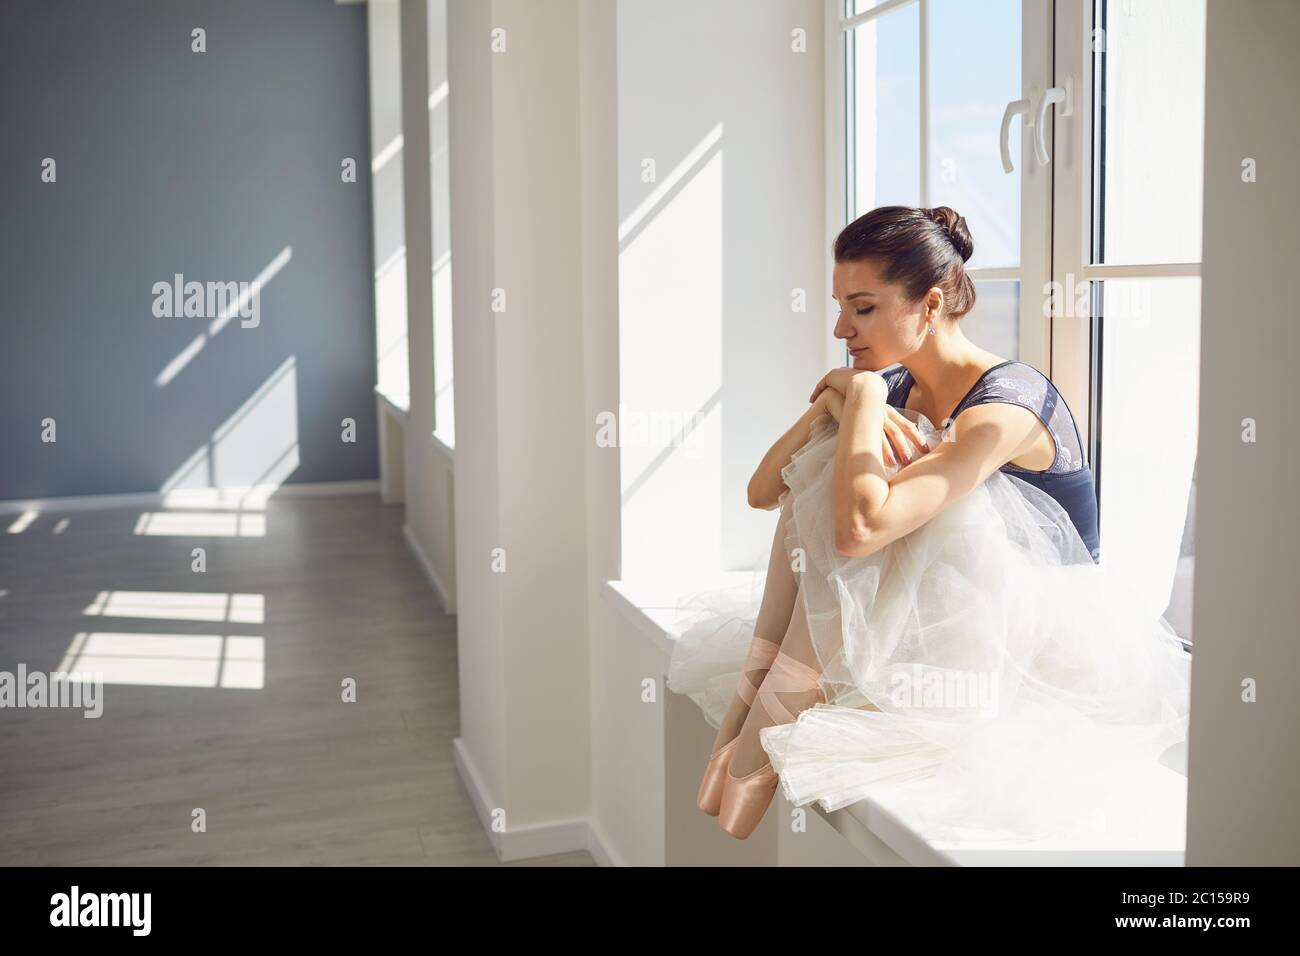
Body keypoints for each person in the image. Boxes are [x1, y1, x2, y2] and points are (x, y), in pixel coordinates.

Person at [667, 205, 1190, 842]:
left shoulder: (1006, 407)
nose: (841, 327)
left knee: (898, 483)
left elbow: (860, 532)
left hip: (1027, 640)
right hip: (941, 612)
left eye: (863, 308)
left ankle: (752, 736)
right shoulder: (893, 383)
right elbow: (763, 491)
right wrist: (839, 402)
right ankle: (755, 709)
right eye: (840, 306)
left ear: (932, 302)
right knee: (841, 457)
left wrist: (858, 398)